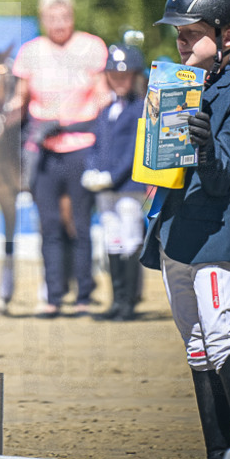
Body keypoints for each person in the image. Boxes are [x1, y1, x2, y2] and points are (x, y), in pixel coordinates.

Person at [139, 0, 230, 459]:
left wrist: (207, 148)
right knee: (196, 346)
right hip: (172, 234)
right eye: (180, 33)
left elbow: (227, 178)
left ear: (227, 37)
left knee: (220, 338)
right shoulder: (174, 86)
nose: (181, 40)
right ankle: (218, 452)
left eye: (191, 32)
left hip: (212, 237)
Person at [9, 0, 108, 318]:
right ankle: (52, 295)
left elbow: (102, 96)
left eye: (64, 15)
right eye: (52, 16)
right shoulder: (31, 51)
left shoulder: (92, 47)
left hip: (81, 146)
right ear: (42, 19)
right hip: (45, 149)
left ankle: (84, 294)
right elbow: (20, 100)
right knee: (48, 224)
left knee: (80, 224)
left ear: (72, 16)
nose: (59, 22)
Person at [81, 43, 147, 322]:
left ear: (134, 77)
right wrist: (91, 169)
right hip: (105, 188)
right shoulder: (105, 109)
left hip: (128, 186)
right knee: (113, 239)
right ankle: (116, 300)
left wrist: (112, 176)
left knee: (130, 238)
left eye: (125, 75)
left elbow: (134, 150)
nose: (119, 80)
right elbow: (95, 145)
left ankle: (128, 301)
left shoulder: (139, 109)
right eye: (114, 75)